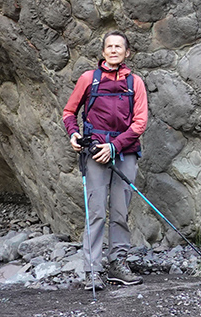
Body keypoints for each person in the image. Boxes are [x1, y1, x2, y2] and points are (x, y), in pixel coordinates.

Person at [63, 31, 148, 289]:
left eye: (118, 47)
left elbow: (140, 122)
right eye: (109, 46)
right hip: (95, 152)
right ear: (103, 52)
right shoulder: (89, 79)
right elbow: (69, 112)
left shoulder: (136, 82)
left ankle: (117, 264)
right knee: (97, 211)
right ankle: (93, 270)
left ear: (127, 52)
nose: (113, 50)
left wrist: (115, 146)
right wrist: (73, 133)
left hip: (125, 152)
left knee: (120, 211)